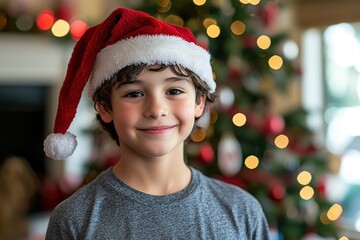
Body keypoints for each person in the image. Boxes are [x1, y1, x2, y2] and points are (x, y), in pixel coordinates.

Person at [44, 7, 270, 239]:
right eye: (134, 94)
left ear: (199, 102)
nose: (156, 110)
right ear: (105, 106)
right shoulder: (74, 220)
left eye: (173, 90)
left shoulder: (242, 212)